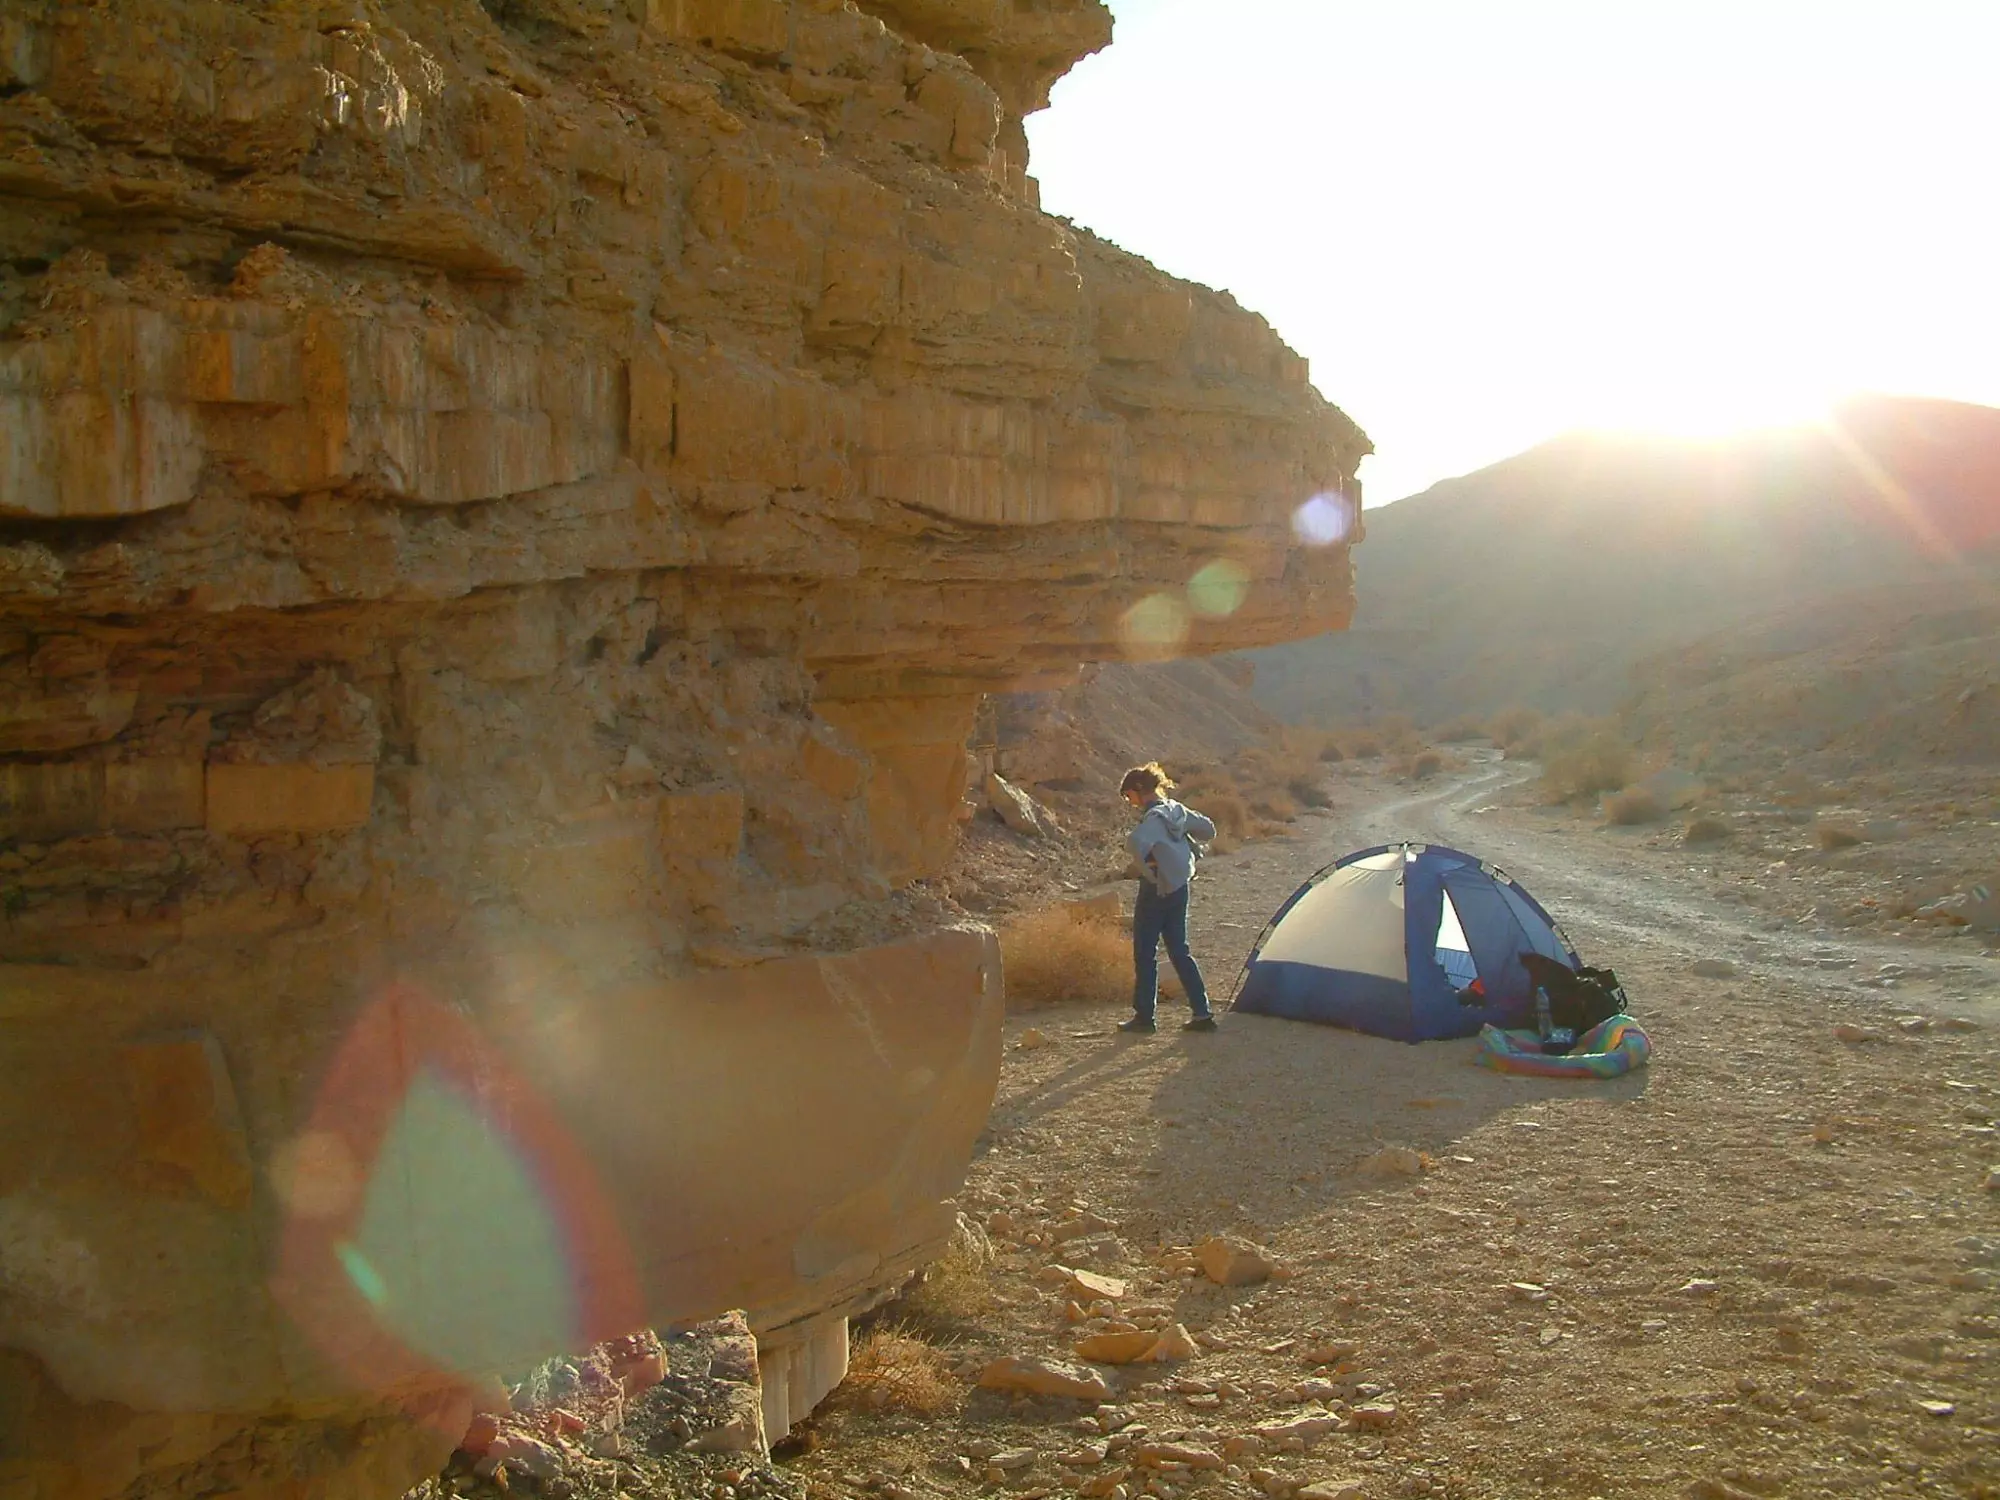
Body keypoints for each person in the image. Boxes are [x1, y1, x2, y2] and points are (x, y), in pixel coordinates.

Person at [1117, 762, 1219, 1034]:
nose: (1131, 803)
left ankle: (1144, 1018)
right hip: (1180, 887)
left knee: (1145, 953)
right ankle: (1202, 1012)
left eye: (1129, 796)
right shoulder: (1177, 810)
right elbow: (1209, 830)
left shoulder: (1153, 818)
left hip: (1156, 890)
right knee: (1179, 950)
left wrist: (1149, 874)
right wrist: (1183, 839)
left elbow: (1134, 843)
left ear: (1139, 790)